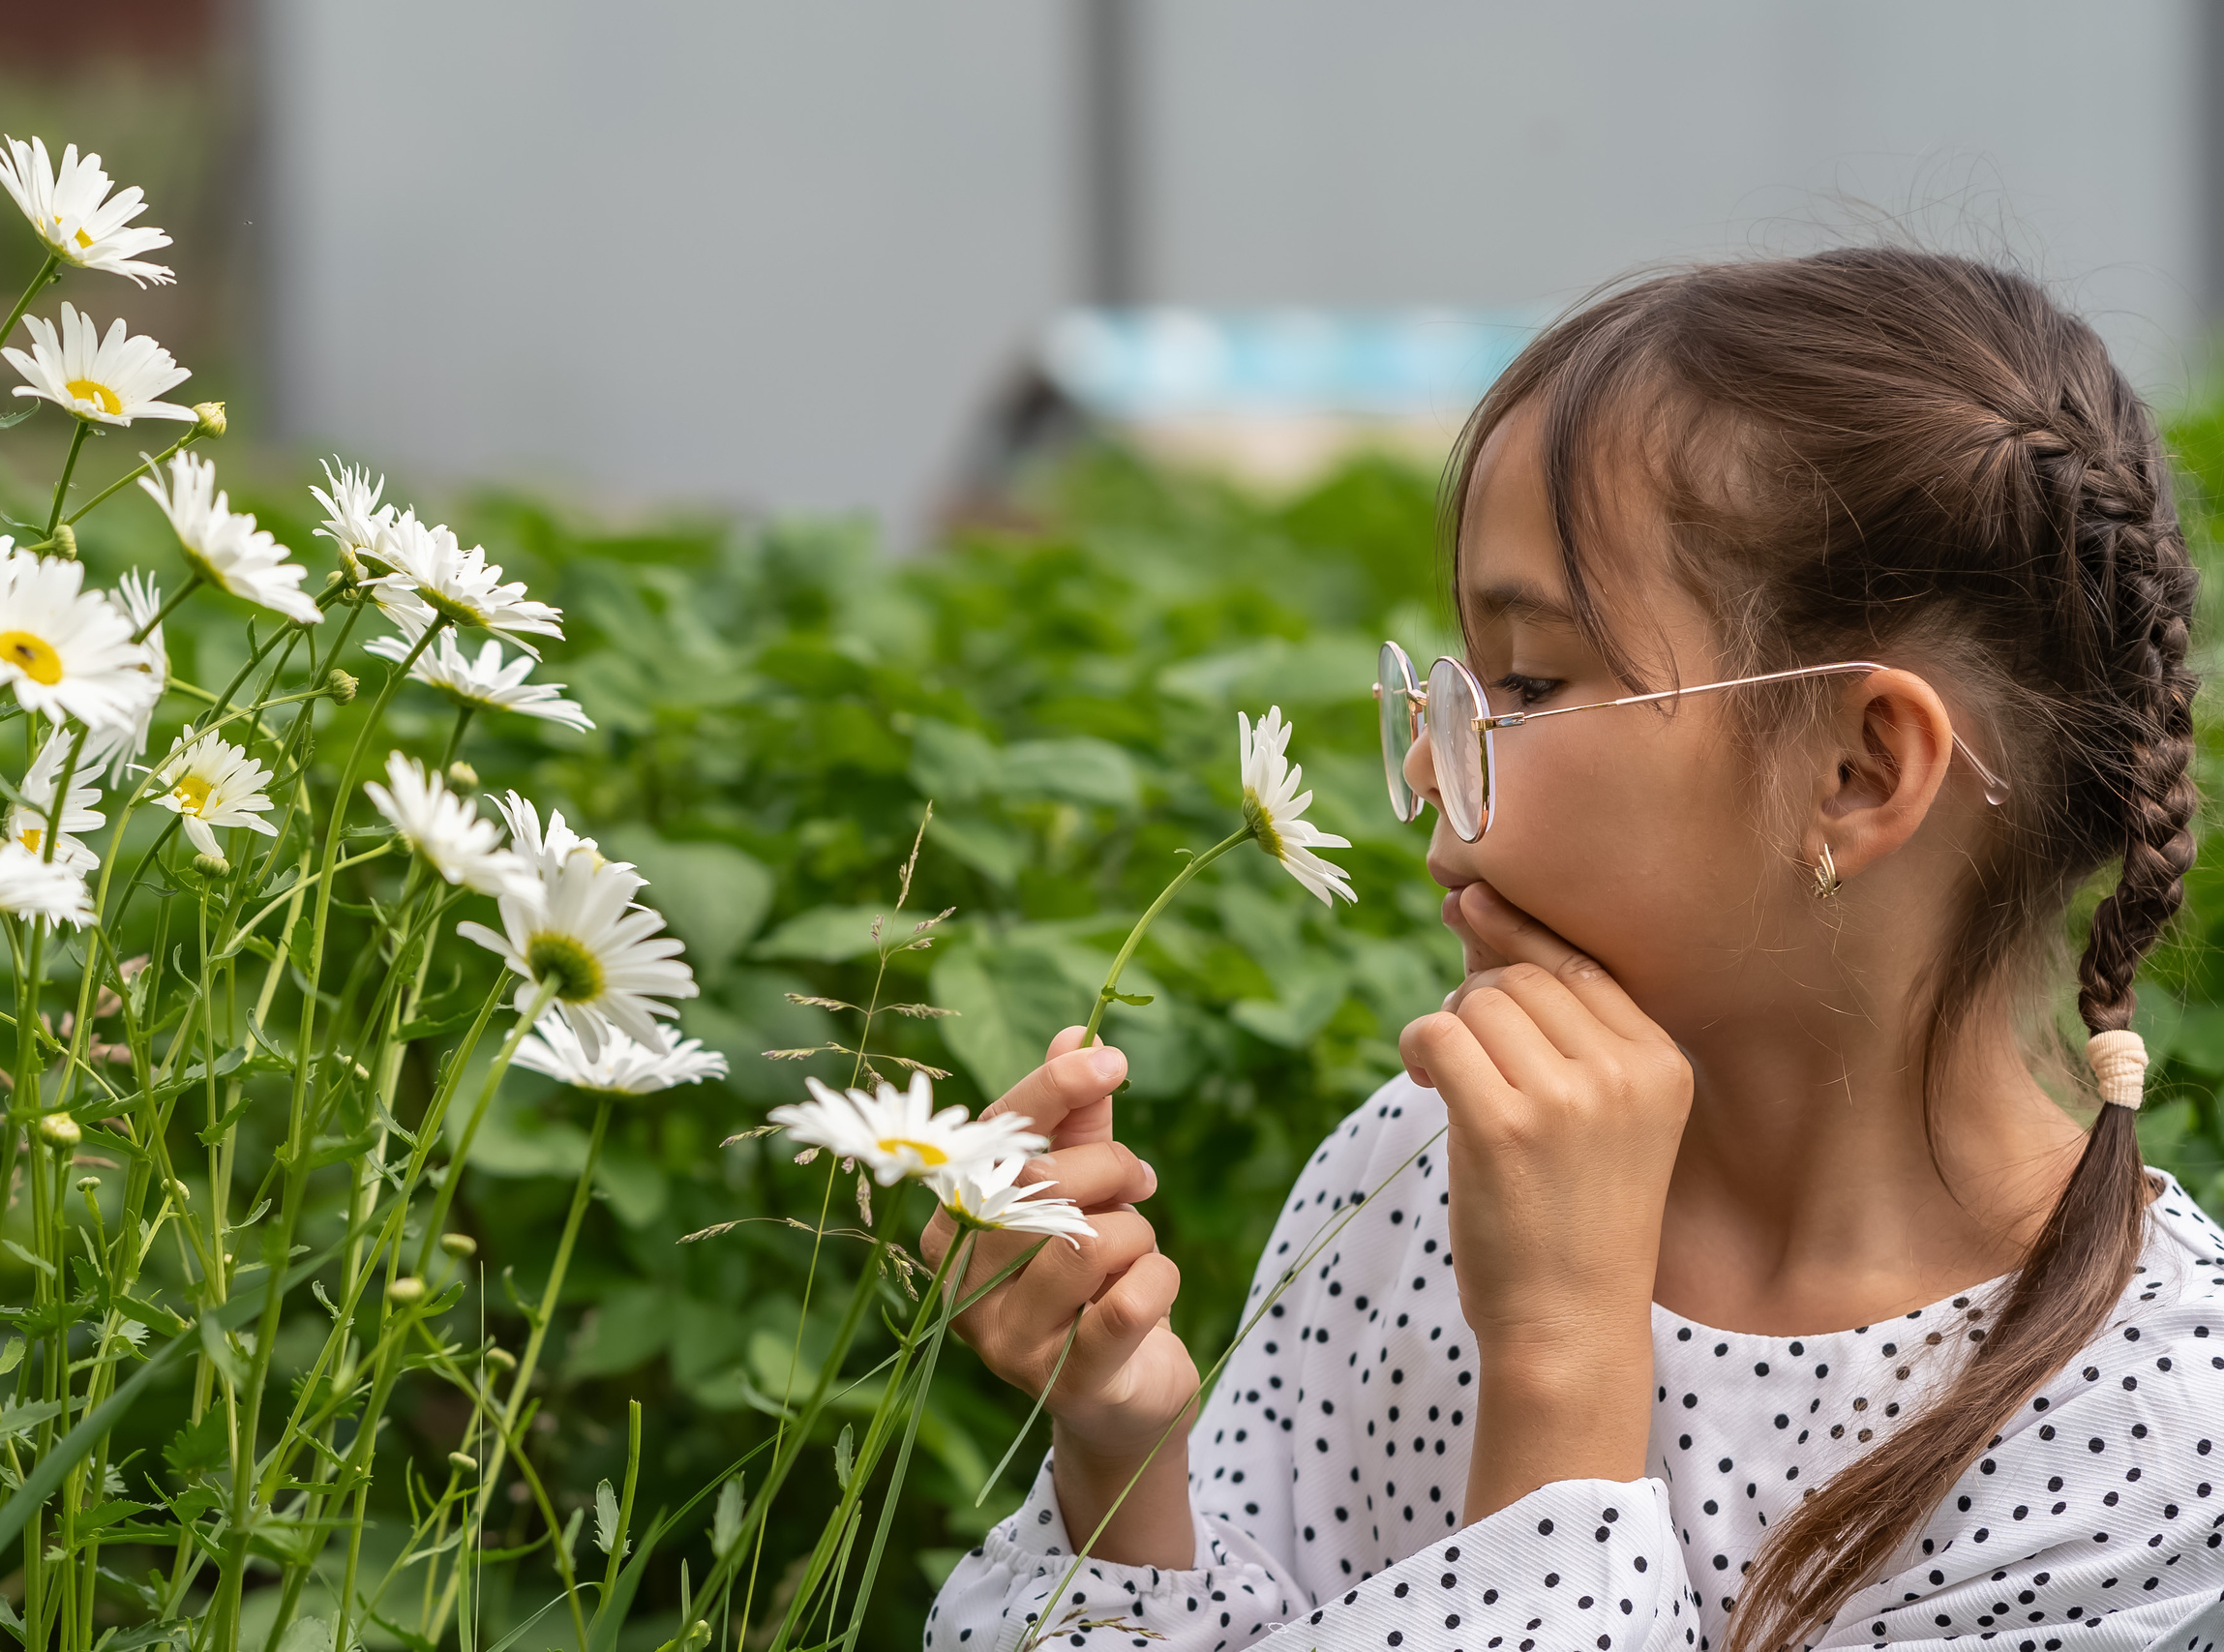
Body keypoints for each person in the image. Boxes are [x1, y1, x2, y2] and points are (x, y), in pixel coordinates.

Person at [920, 249, 2224, 1652]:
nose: (1427, 768)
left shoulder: (2151, 1423)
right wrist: (1125, 1465)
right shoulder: (1419, 1164)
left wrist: (1562, 1369)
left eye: (1527, 686)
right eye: (1451, 685)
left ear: (1858, 770)